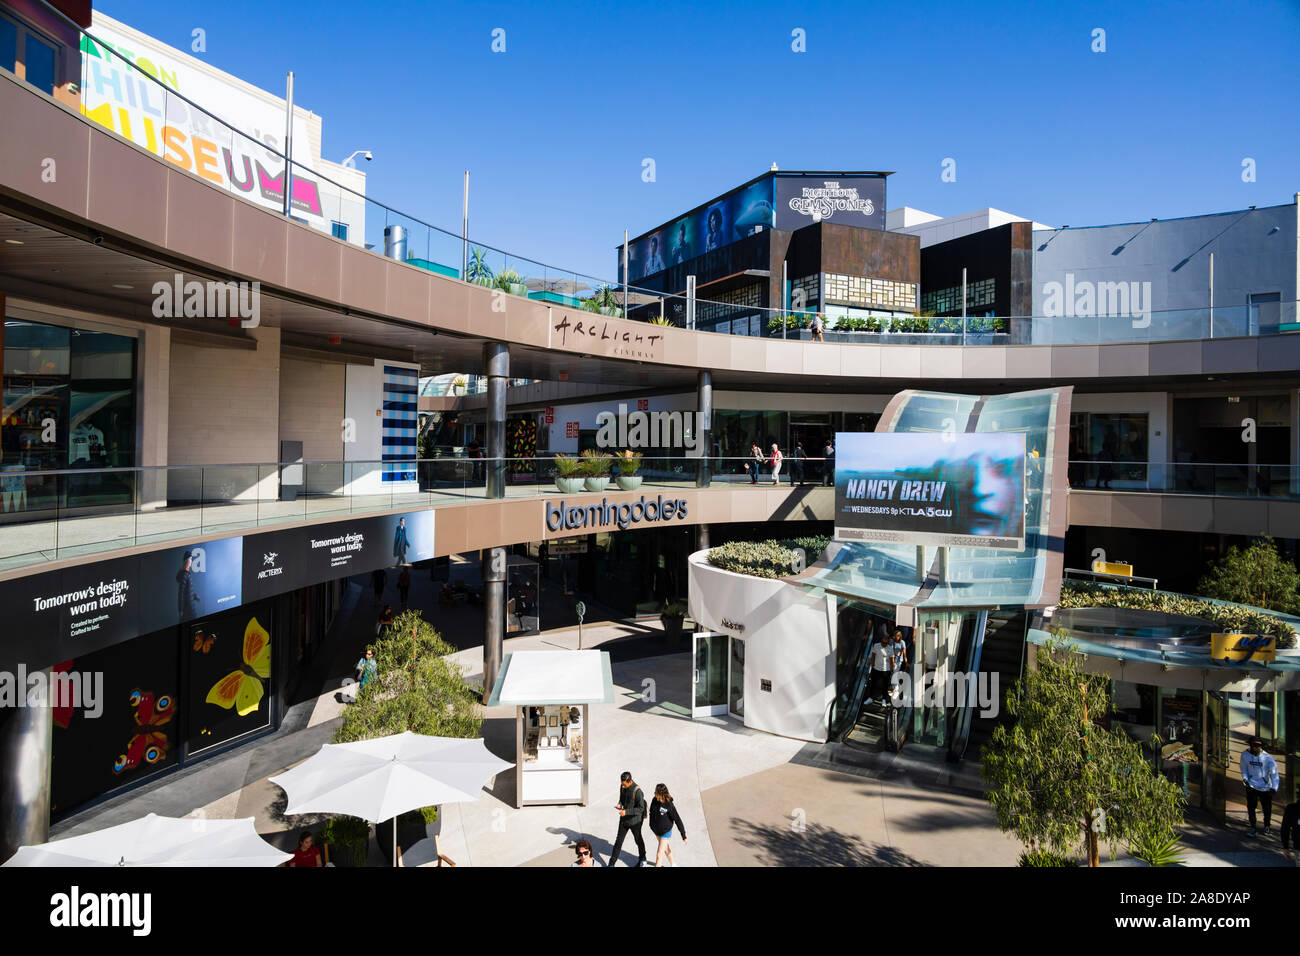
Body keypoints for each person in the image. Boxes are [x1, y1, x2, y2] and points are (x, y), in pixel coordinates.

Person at [1241, 736, 1280, 836]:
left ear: (1261, 746)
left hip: (1265, 787)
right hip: (1252, 786)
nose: (1256, 747)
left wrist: (1274, 788)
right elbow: (1244, 768)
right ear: (1250, 745)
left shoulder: (1268, 759)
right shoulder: (1245, 755)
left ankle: (1267, 826)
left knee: (1267, 809)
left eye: (1258, 745)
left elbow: (1274, 774)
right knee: (1251, 807)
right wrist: (1245, 779)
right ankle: (1253, 827)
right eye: (1254, 745)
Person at [609, 771, 648, 867]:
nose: (622, 786)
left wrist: (626, 812)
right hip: (624, 820)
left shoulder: (637, 791)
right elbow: (622, 798)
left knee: (638, 840)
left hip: (635, 821)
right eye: (621, 784)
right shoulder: (622, 786)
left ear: (630, 781)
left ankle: (643, 858)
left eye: (624, 784)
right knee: (618, 841)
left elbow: (641, 808)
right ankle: (611, 863)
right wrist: (620, 804)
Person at [648, 783, 687, 867]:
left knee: (659, 855)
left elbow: (677, 819)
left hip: (665, 832)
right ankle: (674, 864)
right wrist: (651, 825)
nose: (654, 793)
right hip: (656, 830)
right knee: (665, 849)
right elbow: (651, 812)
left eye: (656, 791)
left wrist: (683, 835)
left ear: (660, 793)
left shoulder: (669, 805)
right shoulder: (654, 800)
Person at [868, 633, 894, 705]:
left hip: (886, 670)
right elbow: (873, 655)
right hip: (876, 668)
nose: (884, 644)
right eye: (883, 642)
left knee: (885, 686)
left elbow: (892, 659)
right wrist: (872, 665)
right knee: (873, 684)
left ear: (888, 642)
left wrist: (892, 669)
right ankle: (871, 698)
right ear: (881, 640)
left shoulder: (890, 648)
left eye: (886, 643)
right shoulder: (876, 646)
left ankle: (884, 700)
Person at [176, 550, 200, 621]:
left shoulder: (187, 574)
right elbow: (181, 594)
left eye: (191, 559)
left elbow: (188, 591)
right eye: (190, 559)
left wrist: (195, 596)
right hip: (188, 610)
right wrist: (181, 611)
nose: (191, 561)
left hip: (190, 608)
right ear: (186, 560)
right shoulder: (184, 575)